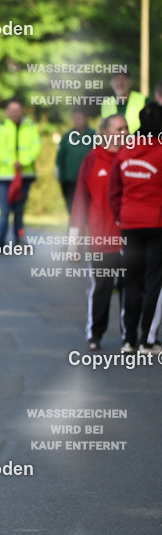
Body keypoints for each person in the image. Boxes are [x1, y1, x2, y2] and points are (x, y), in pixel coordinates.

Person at [69, 114, 128, 351]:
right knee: (101, 288)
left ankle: (129, 336)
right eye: (119, 129)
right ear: (104, 132)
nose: (124, 133)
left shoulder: (131, 158)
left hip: (129, 238)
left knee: (129, 289)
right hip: (101, 238)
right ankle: (95, 334)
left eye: (126, 128)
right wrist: (74, 244)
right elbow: (80, 203)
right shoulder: (93, 159)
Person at [108, 102, 162, 354]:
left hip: (129, 224)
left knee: (130, 280)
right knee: (154, 282)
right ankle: (147, 340)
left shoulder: (125, 151)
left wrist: (121, 218)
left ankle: (128, 339)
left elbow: (114, 190)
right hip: (157, 224)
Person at [0, 99, 41, 248]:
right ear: (7, 112)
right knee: (5, 211)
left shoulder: (31, 127)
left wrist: (23, 162)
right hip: (4, 176)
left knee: (19, 211)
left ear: (22, 111)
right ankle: (0, 240)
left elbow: (36, 147)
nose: (14, 113)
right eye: (11, 110)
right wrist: (11, 162)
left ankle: (19, 239)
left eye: (17, 110)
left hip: (24, 175)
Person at [55, 108, 95, 215]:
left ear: (86, 119)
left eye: (79, 118)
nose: (77, 121)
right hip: (70, 180)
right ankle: (73, 226)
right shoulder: (67, 137)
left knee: (88, 210)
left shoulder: (94, 135)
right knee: (72, 210)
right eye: (74, 118)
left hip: (89, 180)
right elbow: (60, 158)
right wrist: (61, 178)